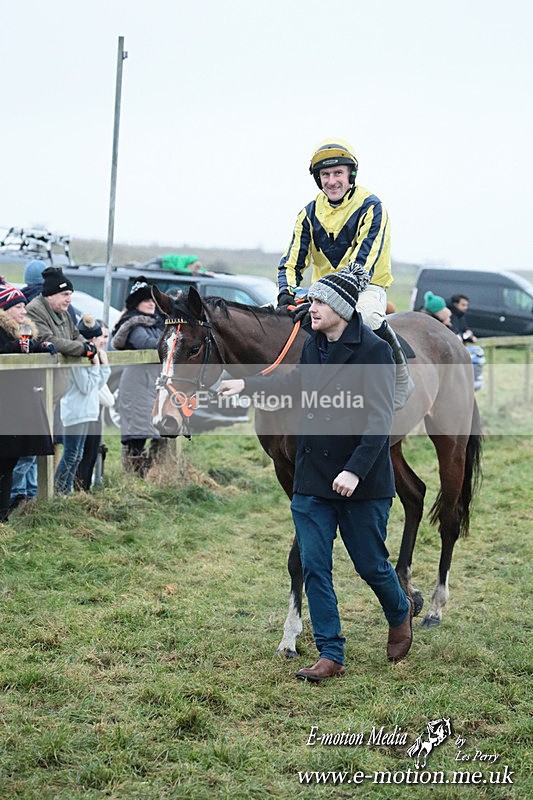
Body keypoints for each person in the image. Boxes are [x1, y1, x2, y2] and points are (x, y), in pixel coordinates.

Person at [218, 267, 413, 681]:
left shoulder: (374, 352)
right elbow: (294, 388)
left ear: (341, 307)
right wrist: (247, 387)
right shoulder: (312, 346)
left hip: (360, 481)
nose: (312, 308)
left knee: (371, 565)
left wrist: (355, 472)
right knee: (314, 564)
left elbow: (380, 420)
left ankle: (398, 611)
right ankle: (331, 653)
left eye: (320, 302)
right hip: (312, 477)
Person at [276, 138, 413, 410]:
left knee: (371, 319)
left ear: (350, 175)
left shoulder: (372, 206)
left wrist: (329, 297)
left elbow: (363, 264)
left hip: (365, 288)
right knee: (266, 318)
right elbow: (292, 261)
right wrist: (286, 293)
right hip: (320, 293)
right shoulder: (308, 213)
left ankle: (400, 377)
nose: (332, 181)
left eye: (338, 173)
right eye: (325, 175)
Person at [0, 281, 55, 522]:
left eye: (24, 305)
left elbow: (27, 349)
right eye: (18, 306)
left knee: (8, 464)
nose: (24, 311)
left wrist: (40, 346)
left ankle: (3, 517)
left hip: (17, 406)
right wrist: (18, 347)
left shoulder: (23, 332)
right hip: (6, 406)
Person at [111, 278, 166, 475]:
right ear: (137, 303)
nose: (151, 303)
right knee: (138, 430)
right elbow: (147, 343)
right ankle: (135, 476)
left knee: (159, 431)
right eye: (146, 300)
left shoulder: (158, 322)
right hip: (138, 384)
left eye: (153, 300)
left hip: (155, 383)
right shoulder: (133, 324)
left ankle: (155, 473)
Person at [54, 316, 110, 495]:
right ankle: (58, 489)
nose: (94, 342)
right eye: (92, 339)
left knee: (78, 455)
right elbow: (85, 387)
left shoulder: (91, 357)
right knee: (71, 454)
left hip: (87, 411)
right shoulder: (78, 359)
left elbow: (97, 386)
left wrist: (104, 367)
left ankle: (66, 489)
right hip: (75, 411)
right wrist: (95, 366)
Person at [74, 320, 113, 491]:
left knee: (90, 453)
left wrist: (104, 366)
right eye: (100, 336)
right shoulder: (86, 356)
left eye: (106, 336)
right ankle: (74, 490)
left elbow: (101, 388)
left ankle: (85, 490)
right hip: (81, 411)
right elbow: (92, 388)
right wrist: (100, 366)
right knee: (77, 455)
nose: (103, 341)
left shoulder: (100, 354)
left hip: (93, 411)